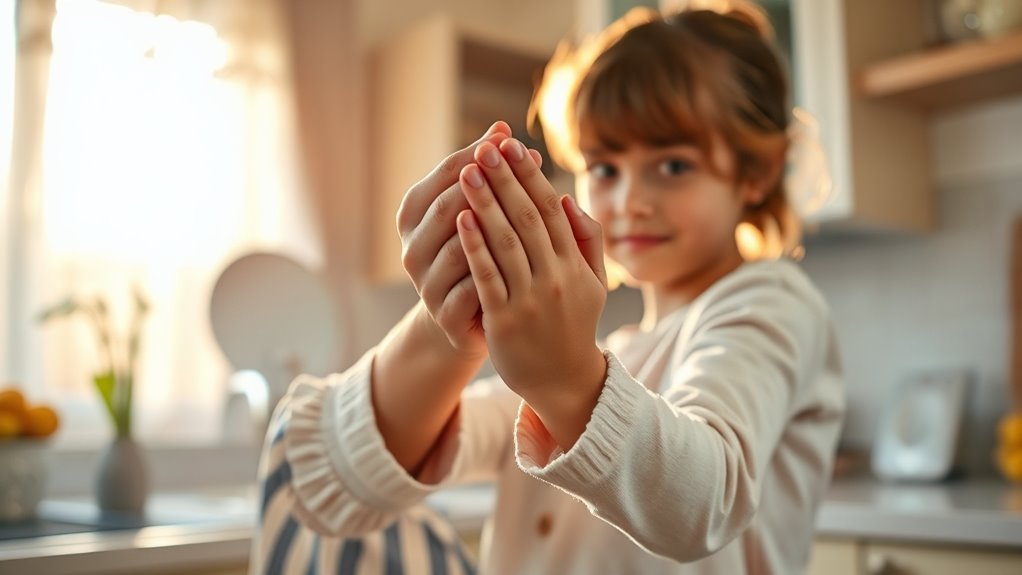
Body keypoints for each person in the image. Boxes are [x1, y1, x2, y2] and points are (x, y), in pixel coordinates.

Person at [254, 3, 844, 574]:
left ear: (758, 173)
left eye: (673, 166)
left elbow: (702, 502)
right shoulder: (615, 350)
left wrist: (563, 373)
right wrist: (449, 324)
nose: (630, 202)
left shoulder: (771, 301)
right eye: (605, 169)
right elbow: (338, 475)